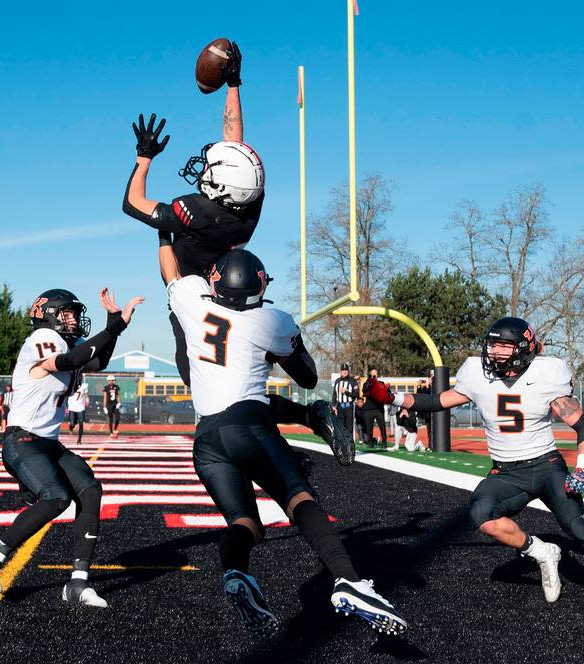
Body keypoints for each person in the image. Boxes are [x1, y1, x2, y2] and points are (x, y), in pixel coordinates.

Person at [159, 241, 406, 635]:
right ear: (258, 287)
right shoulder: (270, 320)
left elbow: (170, 272)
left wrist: (166, 232)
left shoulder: (191, 302)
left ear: (216, 284)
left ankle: (236, 574)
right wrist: (281, 352)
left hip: (206, 439)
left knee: (245, 524)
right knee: (300, 498)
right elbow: (307, 377)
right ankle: (348, 581)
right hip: (247, 424)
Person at [366, 317, 584, 621]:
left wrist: (583, 469)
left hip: (546, 466)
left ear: (524, 348)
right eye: (493, 344)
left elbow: (583, 428)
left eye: (504, 345)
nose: (496, 352)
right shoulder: (477, 373)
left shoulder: (547, 374)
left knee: (581, 531)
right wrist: (393, 398)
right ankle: (542, 552)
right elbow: (436, 401)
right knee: (481, 515)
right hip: (506, 472)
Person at [120, 48, 344, 453]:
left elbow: (133, 203)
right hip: (234, 291)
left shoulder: (196, 213)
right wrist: (233, 84)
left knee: (211, 391)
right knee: (245, 381)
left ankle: (289, 420)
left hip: (193, 296)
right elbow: (233, 141)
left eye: (209, 170)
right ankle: (301, 393)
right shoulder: (248, 200)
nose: (204, 168)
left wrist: (143, 159)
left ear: (221, 187)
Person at [0, 287, 142, 609]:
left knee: (90, 490)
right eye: (67, 313)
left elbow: (97, 361)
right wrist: (116, 327)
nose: (74, 319)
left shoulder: (67, 342)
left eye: (75, 314)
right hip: (23, 440)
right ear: (47, 315)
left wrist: (114, 319)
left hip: (47, 442)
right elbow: (72, 360)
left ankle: (77, 583)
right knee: (57, 497)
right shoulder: (42, 339)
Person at [360, 369, 389, 448]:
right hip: (369, 409)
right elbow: (365, 391)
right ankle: (370, 443)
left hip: (378, 408)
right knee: (369, 427)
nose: (374, 377)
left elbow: (386, 392)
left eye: (375, 375)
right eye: (372, 375)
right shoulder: (366, 383)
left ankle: (384, 442)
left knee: (382, 426)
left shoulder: (381, 383)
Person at [331, 363, 358, 442]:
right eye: (343, 370)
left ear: (348, 371)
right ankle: (342, 446)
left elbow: (356, 394)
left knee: (349, 428)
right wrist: (333, 405)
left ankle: (350, 446)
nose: (344, 372)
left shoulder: (352, 381)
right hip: (340, 407)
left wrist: (346, 392)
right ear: (340, 371)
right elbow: (334, 394)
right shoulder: (337, 381)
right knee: (340, 427)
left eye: (346, 370)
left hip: (349, 407)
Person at [65, 380, 89, 444]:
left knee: (81, 424)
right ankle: (71, 428)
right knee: (72, 423)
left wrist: (87, 400)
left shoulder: (84, 386)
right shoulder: (70, 385)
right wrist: (66, 407)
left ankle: (79, 440)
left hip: (80, 407)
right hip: (72, 407)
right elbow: (66, 396)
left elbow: (86, 394)